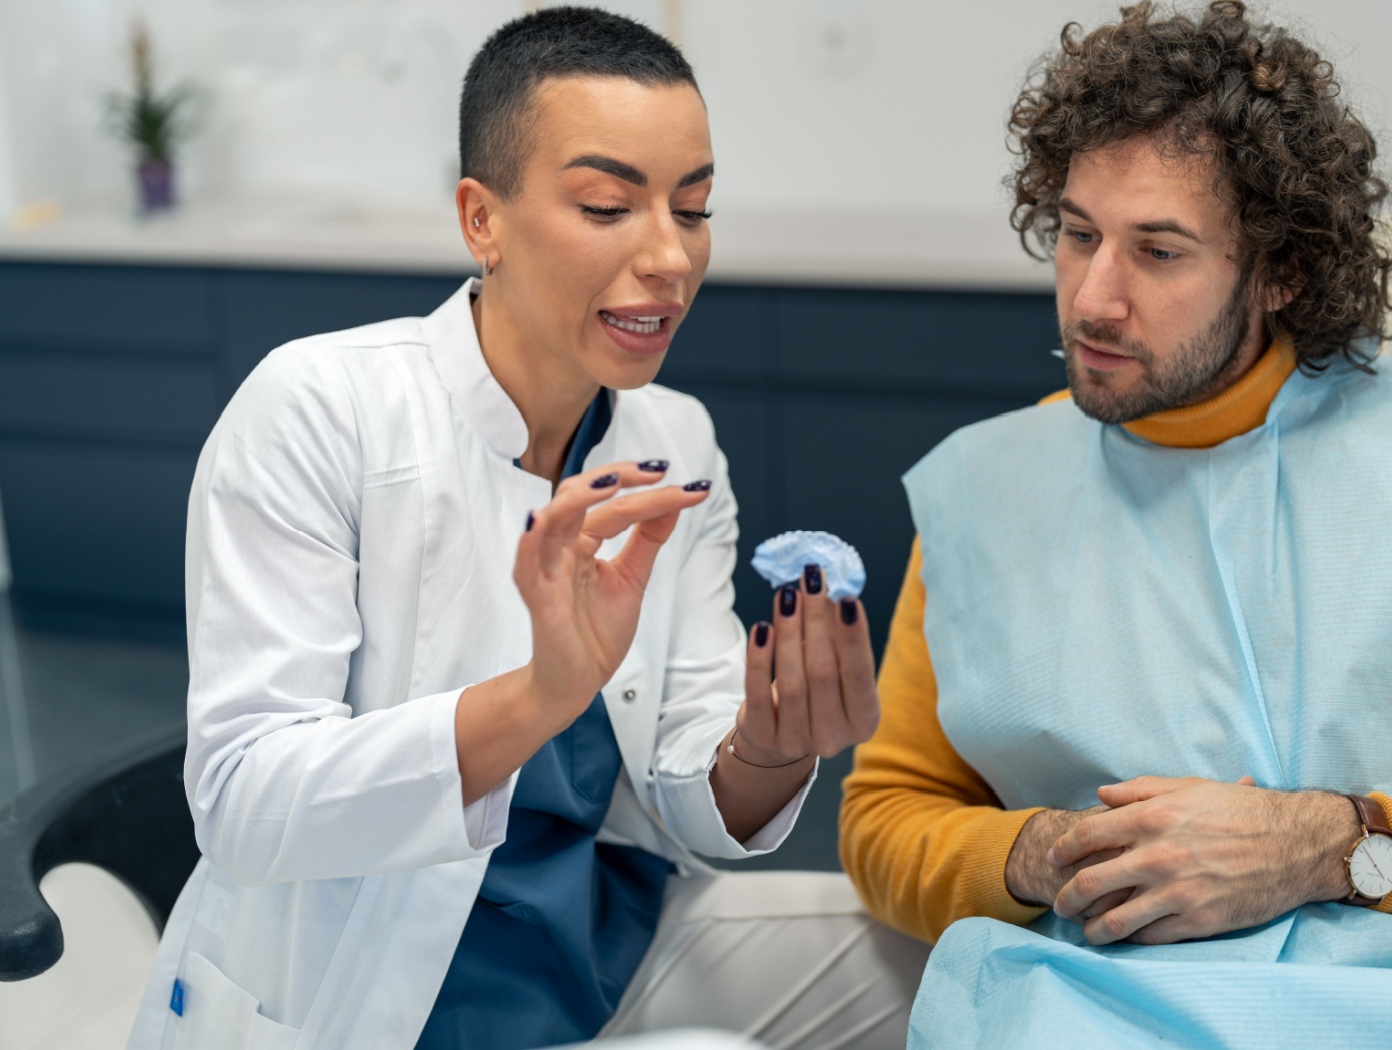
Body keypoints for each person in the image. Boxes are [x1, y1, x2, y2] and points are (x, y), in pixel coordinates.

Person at [125, 10, 924, 1050]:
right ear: (481, 219)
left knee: (956, 961)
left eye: (694, 208)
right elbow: (242, 801)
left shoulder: (673, 440)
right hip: (370, 1001)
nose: (671, 255)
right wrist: (537, 698)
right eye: (606, 205)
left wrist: (768, 746)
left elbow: (694, 784)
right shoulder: (321, 408)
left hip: (604, 948)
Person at [840, 2, 1392, 1046]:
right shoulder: (989, 495)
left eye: (1158, 251)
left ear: (1280, 270)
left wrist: (1335, 846)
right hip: (1078, 1012)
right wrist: (1041, 854)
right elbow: (887, 818)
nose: (1092, 299)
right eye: (1076, 234)